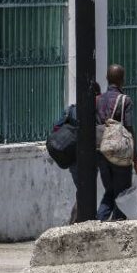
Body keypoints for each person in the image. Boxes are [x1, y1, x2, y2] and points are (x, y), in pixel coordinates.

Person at [96, 64, 137, 221]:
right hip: (120, 155)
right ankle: (118, 227)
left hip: (102, 152)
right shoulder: (125, 101)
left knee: (109, 191)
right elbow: (129, 131)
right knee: (122, 194)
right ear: (122, 80)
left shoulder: (97, 100)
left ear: (107, 79)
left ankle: (99, 223)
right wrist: (136, 161)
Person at [53, 81, 101, 223]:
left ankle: (77, 221)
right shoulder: (94, 109)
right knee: (85, 191)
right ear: (96, 94)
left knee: (82, 190)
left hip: (72, 157)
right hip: (88, 157)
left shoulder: (70, 109)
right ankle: (77, 222)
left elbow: (57, 127)